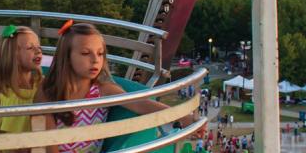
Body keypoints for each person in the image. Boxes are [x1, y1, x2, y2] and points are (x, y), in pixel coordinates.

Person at [39, 21, 200, 153]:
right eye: (85, 53)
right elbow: (49, 140)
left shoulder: (102, 90)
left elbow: (141, 104)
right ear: (66, 57)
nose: (95, 60)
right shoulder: (49, 91)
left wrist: (182, 116)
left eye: (100, 53)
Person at [0, 25, 43, 139]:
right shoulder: (0, 91)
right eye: (30, 48)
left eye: (38, 46)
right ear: (13, 56)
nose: (38, 51)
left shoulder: (42, 85)